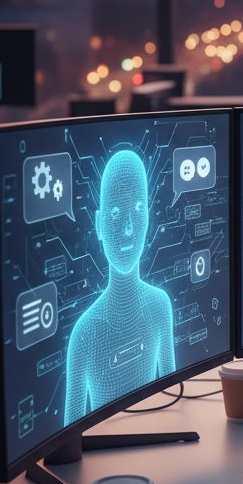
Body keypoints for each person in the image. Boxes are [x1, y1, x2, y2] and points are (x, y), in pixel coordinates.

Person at [64, 149, 175, 424]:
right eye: (115, 213)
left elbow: (175, 399)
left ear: (147, 217)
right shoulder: (85, 333)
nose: (128, 228)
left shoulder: (160, 305)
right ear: (100, 225)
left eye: (137, 210)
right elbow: (67, 437)